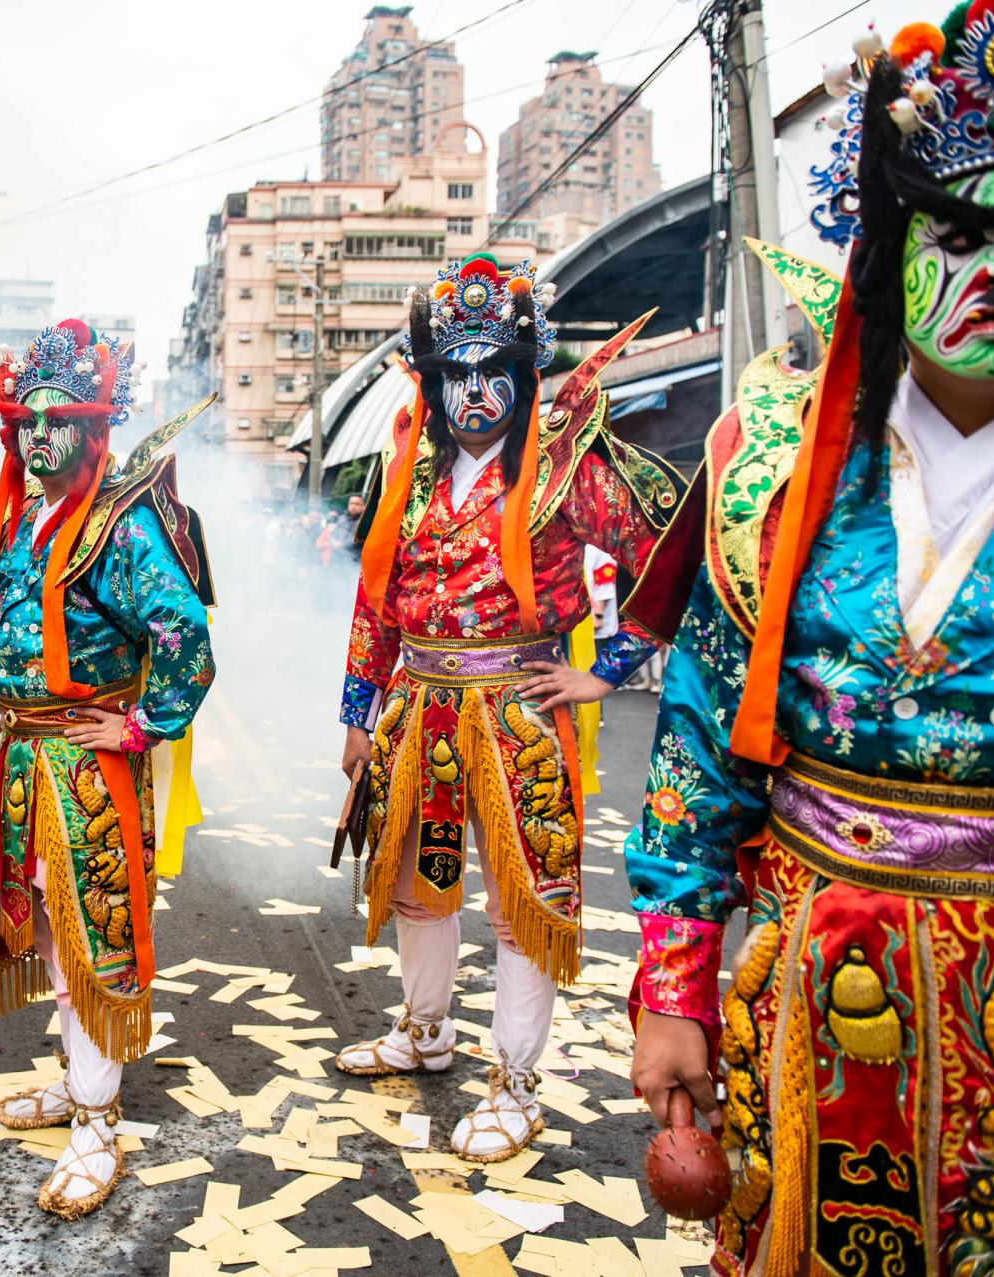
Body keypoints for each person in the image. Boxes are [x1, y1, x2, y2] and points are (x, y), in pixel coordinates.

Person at [624, 9, 994, 1272]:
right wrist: (671, 979)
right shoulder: (772, 457)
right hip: (806, 975)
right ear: (888, 247)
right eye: (958, 229)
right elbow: (698, 737)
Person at [335, 253, 682, 1162]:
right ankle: (425, 1029)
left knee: (521, 900)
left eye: (495, 371)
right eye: (458, 373)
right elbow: (376, 596)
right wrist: (358, 711)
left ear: (524, 376)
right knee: (417, 883)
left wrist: (608, 666)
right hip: (419, 711)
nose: (476, 392)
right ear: (436, 379)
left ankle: (517, 1082)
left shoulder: (568, 464)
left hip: (520, 713)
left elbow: (674, 555)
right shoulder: (406, 468)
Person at [0, 319, 215, 1219]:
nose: (36, 435)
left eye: (55, 417)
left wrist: (141, 725)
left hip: (88, 770)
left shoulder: (123, 525)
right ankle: (77, 1087)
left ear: (93, 428)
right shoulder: (14, 529)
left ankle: (98, 1126)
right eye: (24, 419)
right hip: (19, 762)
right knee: (55, 940)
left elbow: (187, 639)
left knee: (92, 939)